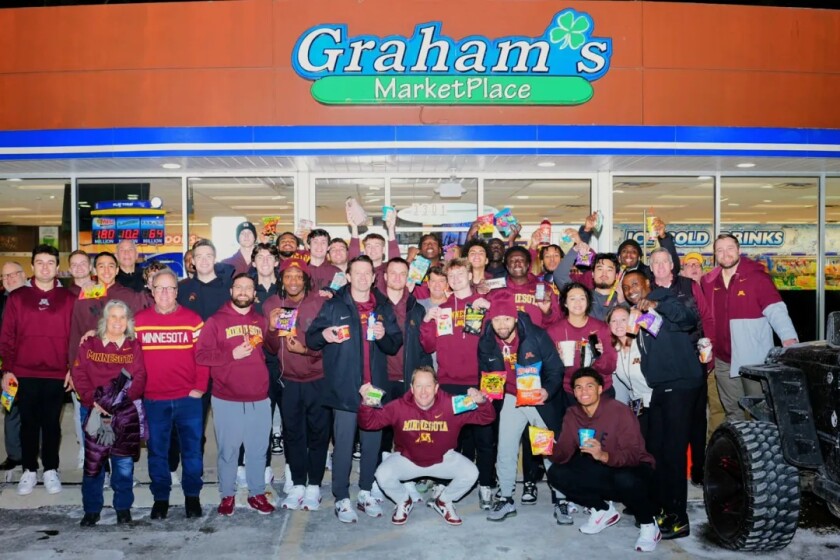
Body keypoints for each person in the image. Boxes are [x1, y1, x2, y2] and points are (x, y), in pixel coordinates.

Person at [305, 255, 403, 524]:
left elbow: (394, 344)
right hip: (344, 389)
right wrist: (324, 335)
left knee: (371, 445)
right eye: (356, 272)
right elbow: (312, 338)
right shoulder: (334, 305)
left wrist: (384, 336)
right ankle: (341, 497)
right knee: (344, 446)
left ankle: (366, 492)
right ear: (348, 277)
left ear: (373, 278)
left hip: (374, 391)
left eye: (367, 273)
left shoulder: (382, 307)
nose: (362, 277)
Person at [621, 269, 703, 539]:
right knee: (656, 450)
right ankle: (660, 506)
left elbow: (689, 319)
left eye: (635, 284)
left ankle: (679, 519)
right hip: (660, 388)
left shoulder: (664, 297)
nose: (631, 290)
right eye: (626, 287)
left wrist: (657, 304)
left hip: (680, 383)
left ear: (647, 283)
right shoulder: (639, 315)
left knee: (673, 453)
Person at [358, 366, 496, 526]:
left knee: (471, 472)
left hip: (443, 459)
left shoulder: (453, 404)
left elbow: (486, 418)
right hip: (408, 460)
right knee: (382, 474)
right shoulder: (399, 406)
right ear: (412, 388)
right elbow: (369, 423)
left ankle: (444, 501)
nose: (423, 392)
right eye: (419, 386)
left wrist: (481, 402)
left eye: (428, 386)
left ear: (436, 388)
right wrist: (366, 403)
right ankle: (403, 500)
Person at [547, 368, 661, 553]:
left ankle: (649, 524)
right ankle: (602, 510)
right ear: (574, 392)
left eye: (589, 386)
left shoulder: (618, 410)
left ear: (600, 389)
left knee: (625, 479)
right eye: (578, 387)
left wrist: (603, 455)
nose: (584, 391)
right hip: (602, 467)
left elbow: (634, 454)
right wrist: (548, 449)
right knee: (556, 473)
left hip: (635, 468)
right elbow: (564, 453)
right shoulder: (572, 414)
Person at [196, 273, 282, 516]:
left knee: (258, 450)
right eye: (239, 287)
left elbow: (272, 349)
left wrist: (273, 330)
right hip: (227, 398)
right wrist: (230, 355)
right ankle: (227, 494)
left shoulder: (260, 320)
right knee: (229, 451)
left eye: (248, 288)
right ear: (231, 291)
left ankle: (256, 493)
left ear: (254, 294)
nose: (243, 291)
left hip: (259, 397)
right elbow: (201, 355)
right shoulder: (215, 321)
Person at [477, 292, 566, 522]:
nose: (502, 325)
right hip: (510, 397)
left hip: (535, 398)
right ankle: (506, 498)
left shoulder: (536, 335)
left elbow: (556, 369)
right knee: (505, 448)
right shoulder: (486, 340)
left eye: (506, 319)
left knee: (546, 448)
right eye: (497, 319)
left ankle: (561, 498)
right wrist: (485, 392)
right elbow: (486, 372)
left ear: (515, 318)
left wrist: (547, 391)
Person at [420, 258, 496, 509]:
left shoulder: (483, 304)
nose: (455, 279)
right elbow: (428, 346)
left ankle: (486, 485)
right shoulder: (441, 309)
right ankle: (445, 483)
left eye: (460, 274)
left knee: (484, 438)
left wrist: (490, 309)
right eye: (451, 276)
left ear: (470, 276)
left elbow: (503, 332)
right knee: (449, 439)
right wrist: (427, 321)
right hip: (449, 383)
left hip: (479, 381)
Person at [134, 268, 209, 521]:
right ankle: (161, 498)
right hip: (153, 400)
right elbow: (131, 359)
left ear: (177, 291)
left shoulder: (192, 320)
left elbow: (202, 357)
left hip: (188, 399)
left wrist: (200, 387)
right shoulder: (139, 322)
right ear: (151, 291)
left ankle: (192, 497)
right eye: (160, 288)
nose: (165, 293)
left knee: (192, 451)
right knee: (157, 451)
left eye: (170, 288)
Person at [0, 245, 75, 495]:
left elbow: (74, 338)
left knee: (52, 424)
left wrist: (72, 368)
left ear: (57, 267)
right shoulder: (18, 297)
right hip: (24, 373)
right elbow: (7, 336)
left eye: (50, 262)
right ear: (32, 266)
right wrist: (7, 370)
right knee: (28, 424)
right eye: (40, 262)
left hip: (56, 373)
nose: (45, 267)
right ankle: (29, 470)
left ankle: (51, 469)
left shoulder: (68, 298)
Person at [700, 234, 798, 422]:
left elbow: (776, 310)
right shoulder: (711, 282)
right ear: (715, 255)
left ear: (739, 250)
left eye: (730, 248)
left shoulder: (757, 278)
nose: (725, 254)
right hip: (723, 362)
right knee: (734, 415)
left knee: (760, 416)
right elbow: (707, 318)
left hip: (753, 360)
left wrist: (789, 338)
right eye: (720, 250)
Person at [72, 299, 147, 527]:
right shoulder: (89, 345)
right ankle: (92, 509)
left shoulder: (133, 346)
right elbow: (79, 375)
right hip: (95, 412)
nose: (117, 321)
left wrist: (119, 401)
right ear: (105, 319)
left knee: (123, 465)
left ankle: (123, 508)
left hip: (123, 413)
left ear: (128, 322)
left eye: (122, 317)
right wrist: (93, 400)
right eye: (113, 316)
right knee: (94, 464)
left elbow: (140, 377)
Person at [263, 259, 330, 511]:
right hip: (288, 381)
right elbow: (270, 348)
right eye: (288, 276)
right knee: (293, 435)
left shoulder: (321, 302)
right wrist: (271, 329)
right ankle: (299, 484)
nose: (293, 281)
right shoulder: (272, 304)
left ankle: (315, 486)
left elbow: (330, 342)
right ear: (281, 279)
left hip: (318, 379)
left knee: (319, 434)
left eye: (298, 276)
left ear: (305, 279)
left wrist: (306, 351)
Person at [649, 247, 712, 486]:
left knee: (697, 418)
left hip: (694, 359)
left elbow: (706, 317)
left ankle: (699, 468)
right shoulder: (646, 290)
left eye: (665, 261)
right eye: (656, 262)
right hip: (664, 366)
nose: (661, 266)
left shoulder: (689, 286)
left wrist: (710, 351)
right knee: (668, 422)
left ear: (672, 265)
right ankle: (666, 472)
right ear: (651, 267)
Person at [380, 258, 433, 462]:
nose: (397, 277)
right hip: (382, 378)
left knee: (408, 430)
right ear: (385, 277)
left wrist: (427, 378)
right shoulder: (375, 306)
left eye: (402, 273)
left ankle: (407, 469)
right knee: (383, 430)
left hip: (408, 378)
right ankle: (382, 469)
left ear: (408, 277)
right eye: (393, 273)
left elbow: (424, 347)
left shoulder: (416, 309)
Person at [69, 251, 149, 366]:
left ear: (117, 270)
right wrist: (73, 368)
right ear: (95, 270)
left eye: (111, 266)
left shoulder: (130, 295)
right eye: (101, 266)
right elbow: (75, 336)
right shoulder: (84, 297)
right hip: (91, 364)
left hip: (122, 361)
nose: (106, 271)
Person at [548, 282, 618, 405]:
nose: (578, 303)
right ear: (565, 303)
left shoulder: (601, 328)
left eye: (582, 298)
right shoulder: (554, 331)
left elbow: (610, 367)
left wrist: (599, 357)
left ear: (588, 302)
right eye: (572, 299)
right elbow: (548, 370)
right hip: (570, 392)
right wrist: (557, 361)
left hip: (600, 390)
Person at [250, 242, 284, 460]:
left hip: (282, 359)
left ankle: (292, 469)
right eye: (260, 257)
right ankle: (262, 465)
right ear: (253, 262)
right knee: (259, 417)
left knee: (290, 415)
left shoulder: (286, 287)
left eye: (269, 257)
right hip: (255, 360)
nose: (264, 261)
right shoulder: (246, 289)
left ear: (276, 262)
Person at [606, 304, 653, 441]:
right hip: (636, 404)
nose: (618, 324)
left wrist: (643, 316)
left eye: (623, 319)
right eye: (614, 321)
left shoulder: (644, 341)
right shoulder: (613, 351)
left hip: (657, 401)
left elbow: (659, 328)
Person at [552, 236, 623, 322]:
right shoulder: (583, 295)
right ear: (592, 274)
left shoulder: (622, 299)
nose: (604, 273)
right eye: (600, 269)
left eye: (609, 270)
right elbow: (559, 276)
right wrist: (575, 249)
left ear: (616, 276)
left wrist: (623, 302)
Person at [0, 261, 27, 471]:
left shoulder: (34, 298)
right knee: (10, 409)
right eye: (5, 276)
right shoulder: (1, 301)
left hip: (33, 366)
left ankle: (33, 454)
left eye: (13, 274)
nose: (9, 279)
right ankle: (14, 455)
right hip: (7, 368)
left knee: (35, 412)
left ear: (24, 275)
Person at [493, 246, 560, 328]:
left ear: (528, 265)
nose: (517, 263)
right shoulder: (497, 290)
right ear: (507, 266)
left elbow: (556, 322)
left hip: (536, 335)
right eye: (512, 260)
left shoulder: (542, 288)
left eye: (521, 260)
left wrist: (547, 312)